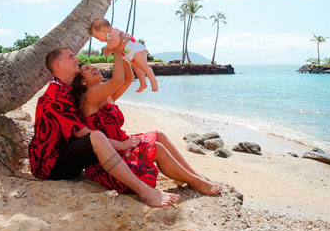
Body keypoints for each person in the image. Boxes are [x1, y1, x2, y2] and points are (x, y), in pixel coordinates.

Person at [29, 46, 179, 208]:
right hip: (50, 166)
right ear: (58, 65)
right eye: (71, 56)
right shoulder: (55, 96)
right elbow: (82, 133)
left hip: (69, 155)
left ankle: (194, 179)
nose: (77, 59)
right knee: (97, 136)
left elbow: (124, 80)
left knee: (154, 137)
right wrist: (121, 145)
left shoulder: (68, 89)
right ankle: (146, 193)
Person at [73, 62, 222, 196]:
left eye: (91, 66)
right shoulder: (90, 96)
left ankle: (195, 176)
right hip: (110, 158)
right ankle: (195, 182)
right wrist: (117, 49)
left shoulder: (106, 95)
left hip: (123, 144)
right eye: (86, 69)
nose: (93, 68)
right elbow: (118, 79)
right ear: (82, 82)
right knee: (156, 148)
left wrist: (125, 55)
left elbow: (128, 79)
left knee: (160, 135)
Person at [90, 17, 158, 92]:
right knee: (138, 70)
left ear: (103, 30)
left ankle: (154, 82)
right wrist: (110, 51)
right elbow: (117, 47)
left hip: (137, 51)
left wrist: (108, 47)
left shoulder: (113, 32)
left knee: (144, 67)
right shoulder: (110, 37)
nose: (100, 40)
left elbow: (116, 42)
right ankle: (143, 83)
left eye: (98, 38)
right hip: (132, 56)